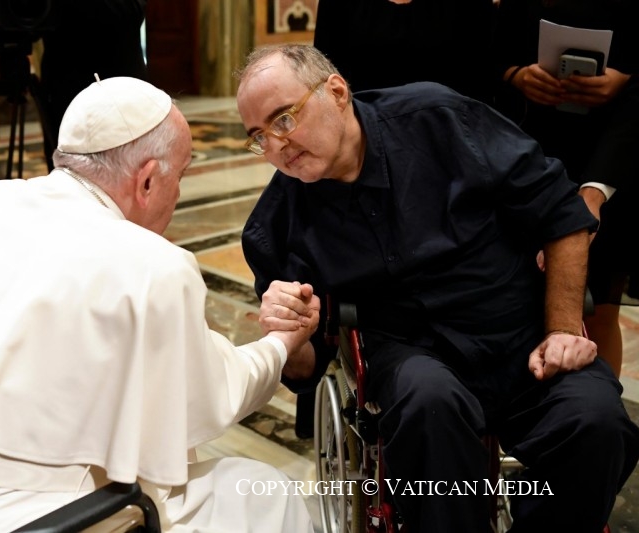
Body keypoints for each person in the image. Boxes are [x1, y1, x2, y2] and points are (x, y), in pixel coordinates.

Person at [0, 76, 318, 532]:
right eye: (179, 177)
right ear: (147, 181)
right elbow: (212, 395)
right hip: (38, 519)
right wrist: (279, 345)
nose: (176, 195)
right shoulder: (153, 266)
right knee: (267, 493)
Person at [235, 43, 639, 532]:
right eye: (259, 136)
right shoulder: (276, 225)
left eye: (283, 119)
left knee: (598, 422)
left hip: (519, 335)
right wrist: (288, 332)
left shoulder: (438, 120)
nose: (276, 146)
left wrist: (560, 329)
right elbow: (305, 368)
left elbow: (562, 211)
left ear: (336, 91)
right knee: (430, 404)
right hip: (412, 353)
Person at [493, 0, 639, 378]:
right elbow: (486, 44)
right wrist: (516, 75)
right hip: (524, 143)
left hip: (611, 155)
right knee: (508, 297)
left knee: (600, 307)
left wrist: (624, 79)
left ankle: (602, 415)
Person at [0, 0, 148, 169]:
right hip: (62, 94)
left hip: (118, 94)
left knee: (126, 179)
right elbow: (36, 19)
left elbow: (130, 12)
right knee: (65, 177)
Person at [313, 0, 497, 103]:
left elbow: (483, 78)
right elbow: (325, 79)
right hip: (365, 141)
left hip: (452, 137)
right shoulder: (338, 4)